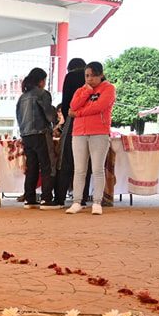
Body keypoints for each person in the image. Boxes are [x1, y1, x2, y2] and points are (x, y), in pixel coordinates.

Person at [66, 61, 116, 215]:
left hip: (99, 132)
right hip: (79, 133)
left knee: (97, 169)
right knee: (79, 169)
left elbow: (99, 106)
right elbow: (73, 105)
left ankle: (97, 202)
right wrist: (86, 92)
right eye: (87, 75)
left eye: (93, 75)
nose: (90, 79)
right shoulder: (81, 90)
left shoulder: (109, 88)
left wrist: (79, 113)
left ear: (101, 75)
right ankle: (77, 201)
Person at [16, 68, 62, 209]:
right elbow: (48, 114)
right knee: (48, 165)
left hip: (26, 135)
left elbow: (18, 117)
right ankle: (47, 199)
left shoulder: (22, 97)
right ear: (41, 81)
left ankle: (29, 199)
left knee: (32, 167)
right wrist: (56, 119)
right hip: (41, 133)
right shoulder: (43, 94)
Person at [53, 58, 87, 206]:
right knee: (86, 163)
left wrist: (67, 119)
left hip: (74, 121)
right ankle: (83, 198)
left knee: (65, 160)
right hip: (92, 124)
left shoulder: (70, 77)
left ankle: (60, 198)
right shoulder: (98, 80)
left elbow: (66, 102)